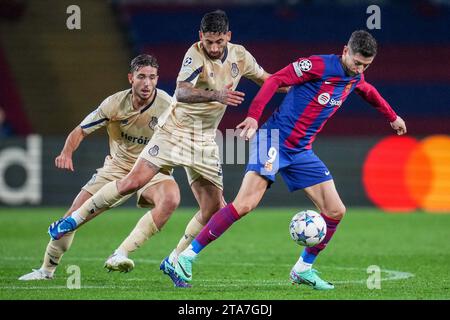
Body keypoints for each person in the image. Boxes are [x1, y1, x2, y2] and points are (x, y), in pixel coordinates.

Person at [44, 9, 284, 288]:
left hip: (205, 140)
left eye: (219, 41)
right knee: (134, 180)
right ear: (200, 38)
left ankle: (175, 259)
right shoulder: (194, 54)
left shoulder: (240, 56)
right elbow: (181, 91)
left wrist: (301, 86)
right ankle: (71, 222)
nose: (214, 48)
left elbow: (269, 79)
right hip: (175, 130)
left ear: (228, 37)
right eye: (209, 42)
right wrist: (217, 95)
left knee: (215, 208)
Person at [173, 30, 407, 290]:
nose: (359, 69)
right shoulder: (318, 65)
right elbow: (274, 81)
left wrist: (392, 116)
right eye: (356, 62)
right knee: (245, 204)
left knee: (335, 210)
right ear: (345, 51)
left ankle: (303, 269)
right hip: (274, 139)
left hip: (300, 151)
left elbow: (367, 90)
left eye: (366, 65)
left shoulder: (354, 76)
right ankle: (185, 257)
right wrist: (253, 116)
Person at [19, 54, 182, 280]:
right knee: (73, 217)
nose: (147, 83)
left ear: (157, 79)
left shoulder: (167, 104)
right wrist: (67, 152)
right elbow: (81, 130)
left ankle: (120, 253)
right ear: (130, 78)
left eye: (152, 77)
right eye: (141, 77)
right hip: (117, 168)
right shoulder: (114, 104)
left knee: (171, 199)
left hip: (152, 169)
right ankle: (46, 271)